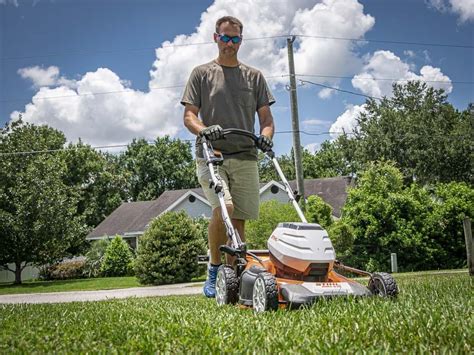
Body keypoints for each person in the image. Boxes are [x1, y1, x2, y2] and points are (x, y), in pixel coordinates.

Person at [181, 15, 275, 298]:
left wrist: (265, 138)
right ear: (215, 38)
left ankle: (235, 277)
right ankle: (213, 269)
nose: (230, 43)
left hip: (246, 153)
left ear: (241, 41)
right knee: (226, 208)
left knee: (240, 220)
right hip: (212, 155)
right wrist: (204, 130)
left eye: (235, 39)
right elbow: (189, 117)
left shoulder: (254, 76)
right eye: (225, 37)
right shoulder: (201, 73)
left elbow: (267, 120)